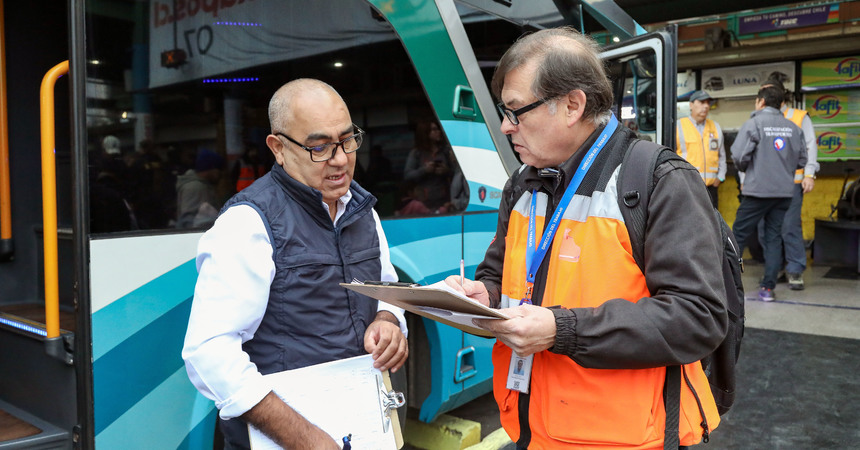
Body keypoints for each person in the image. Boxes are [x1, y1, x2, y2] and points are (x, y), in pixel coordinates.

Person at [444, 27, 727, 449]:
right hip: (532, 433)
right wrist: (482, 297)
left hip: (628, 440)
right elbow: (498, 275)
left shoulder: (657, 180)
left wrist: (561, 330)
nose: (505, 127)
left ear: (572, 105)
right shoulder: (522, 185)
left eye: (516, 111)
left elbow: (698, 316)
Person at [182, 78, 408, 450]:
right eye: (319, 147)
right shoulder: (247, 224)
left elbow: (387, 287)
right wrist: (303, 438)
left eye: (348, 140)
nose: (340, 159)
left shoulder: (363, 210)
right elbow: (209, 352)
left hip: (360, 423)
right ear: (279, 148)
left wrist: (388, 320)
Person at [730, 85, 807, 302]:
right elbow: (802, 160)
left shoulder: (754, 124)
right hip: (784, 193)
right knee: (773, 237)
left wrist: (749, 167)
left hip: (757, 191)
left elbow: (739, 156)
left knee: (737, 235)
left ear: (761, 102)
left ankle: (726, 284)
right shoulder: (794, 128)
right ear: (781, 103)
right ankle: (767, 288)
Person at [760, 77, 820, 290]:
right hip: (765, 185)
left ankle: (795, 270)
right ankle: (774, 269)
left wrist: (809, 173)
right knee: (766, 230)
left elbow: (810, 145)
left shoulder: (799, 117)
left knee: (789, 227)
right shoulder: (760, 117)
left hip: (791, 182)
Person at [676, 90, 726, 208]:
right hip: (687, 186)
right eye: (702, 102)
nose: (706, 106)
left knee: (712, 218)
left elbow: (721, 155)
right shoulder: (679, 126)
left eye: (708, 103)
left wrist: (720, 177)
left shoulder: (715, 127)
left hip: (711, 188)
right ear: (691, 105)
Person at [403, 121, 453, 211]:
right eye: (434, 129)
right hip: (423, 202)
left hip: (444, 200)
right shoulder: (416, 153)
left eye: (438, 129)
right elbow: (407, 175)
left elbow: (456, 173)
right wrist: (424, 170)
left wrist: (446, 171)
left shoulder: (445, 151)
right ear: (426, 133)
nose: (438, 132)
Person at [175, 148, 225, 229]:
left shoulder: (203, 186)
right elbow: (188, 221)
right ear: (211, 169)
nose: (220, 174)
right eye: (218, 170)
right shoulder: (195, 188)